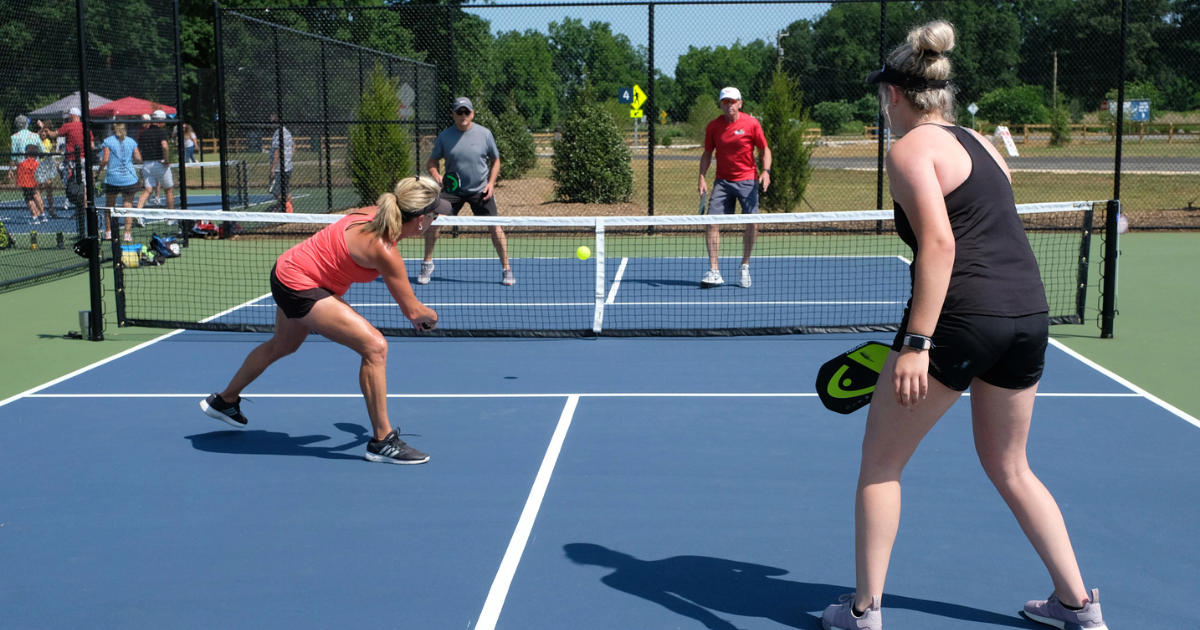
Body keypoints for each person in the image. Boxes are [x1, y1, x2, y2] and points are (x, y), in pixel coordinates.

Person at [819, 21, 1107, 630]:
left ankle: (863, 612)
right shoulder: (982, 142)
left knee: (880, 465)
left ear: (893, 95)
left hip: (959, 320)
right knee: (1011, 465)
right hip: (1028, 316)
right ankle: (1079, 606)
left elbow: (942, 246)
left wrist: (917, 345)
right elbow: (991, 231)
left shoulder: (906, 151)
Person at [200, 176, 449, 464]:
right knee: (375, 347)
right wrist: (433, 316)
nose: (436, 220)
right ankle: (382, 440)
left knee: (282, 345)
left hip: (288, 270)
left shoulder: (376, 212)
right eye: (434, 215)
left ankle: (224, 400)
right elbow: (415, 312)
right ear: (420, 220)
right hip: (301, 285)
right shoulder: (384, 250)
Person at [418, 97, 513, 287]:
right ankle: (427, 264)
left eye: (466, 112)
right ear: (453, 114)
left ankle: (507, 269)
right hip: (452, 190)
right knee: (434, 221)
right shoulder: (444, 137)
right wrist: (436, 175)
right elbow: (432, 162)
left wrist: (491, 184)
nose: (463, 115)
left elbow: (496, 161)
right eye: (459, 112)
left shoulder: (485, 134)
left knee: (495, 227)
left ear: (472, 113)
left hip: (480, 190)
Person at [697, 87, 771, 289]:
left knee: (752, 224)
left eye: (732, 101)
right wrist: (702, 177)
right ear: (721, 104)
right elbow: (707, 153)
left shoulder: (751, 123)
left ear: (740, 103)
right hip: (722, 182)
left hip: (748, 180)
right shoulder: (713, 127)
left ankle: (744, 266)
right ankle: (714, 271)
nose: (728, 105)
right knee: (712, 222)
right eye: (725, 102)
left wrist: (766, 171)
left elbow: (764, 149)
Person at [96, 123, 142, 242]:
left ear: (112, 129)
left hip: (113, 179)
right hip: (129, 179)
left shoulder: (108, 141)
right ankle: (127, 234)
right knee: (128, 206)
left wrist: (98, 171)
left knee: (110, 206)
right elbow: (138, 158)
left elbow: (105, 159)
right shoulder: (131, 141)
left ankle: (108, 232)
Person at [137, 110, 174, 214]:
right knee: (168, 190)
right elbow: (165, 146)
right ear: (160, 120)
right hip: (159, 164)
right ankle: (171, 217)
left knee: (148, 190)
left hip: (146, 165)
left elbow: (139, 149)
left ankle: (137, 213)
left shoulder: (143, 133)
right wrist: (166, 160)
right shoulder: (161, 132)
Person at [268, 114, 293, 213]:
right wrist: (288, 159)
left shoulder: (279, 133)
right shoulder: (287, 132)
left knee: (275, 191)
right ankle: (289, 210)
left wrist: (273, 168)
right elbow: (293, 147)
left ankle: (286, 208)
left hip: (279, 168)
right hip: (288, 166)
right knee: (285, 190)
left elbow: (277, 151)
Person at [17, 144, 45, 223]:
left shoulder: (22, 163)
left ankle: (35, 216)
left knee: (29, 198)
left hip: (26, 181)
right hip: (34, 180)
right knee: (36, 194)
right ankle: (43, 215)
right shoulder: (37, 163)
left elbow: (19, 172)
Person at [9, 115, 41, 184]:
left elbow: (13, 156)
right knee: (35, 189)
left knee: (26, 189)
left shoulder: (14, 137)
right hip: (35, 165)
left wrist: (11, 169)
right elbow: (42, 150)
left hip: (22, 166)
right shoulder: (35, 136)